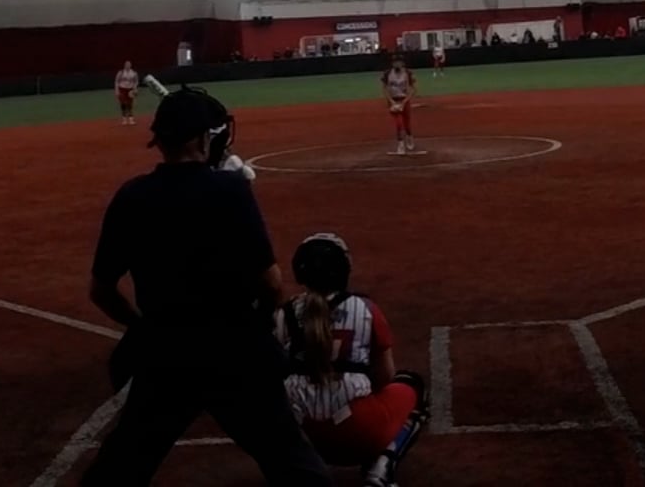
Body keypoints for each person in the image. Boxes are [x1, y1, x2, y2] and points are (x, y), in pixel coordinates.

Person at [82, 86, 331, 487]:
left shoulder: (132, 196)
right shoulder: (230, 190)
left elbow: (101, 290)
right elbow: (271, 283)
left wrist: (142, 326)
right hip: (234, 350)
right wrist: (260, 321)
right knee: (293, 465)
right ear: (202, 140)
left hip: (166, 352)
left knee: (121, 467)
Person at [275, 233, 428, 487]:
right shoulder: (365, 308)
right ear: (343, 270)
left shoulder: (283, 314)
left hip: (302, 441)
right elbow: (385, 378)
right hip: (358, 431)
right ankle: (380, 469)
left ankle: (296, 475)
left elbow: (271, 375)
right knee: (413, 384)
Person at [380, 57, 421, 156]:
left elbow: (414, 89)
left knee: (407, 124)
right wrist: (392, 102)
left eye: (398, 62)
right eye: (395, 62)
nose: (397, 64)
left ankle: (409, 136)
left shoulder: (407, 73)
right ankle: (400, 144)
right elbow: (384, 89)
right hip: (393, 100)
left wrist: (404, 102)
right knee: (398, 123)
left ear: (402, 63)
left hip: (404, 100)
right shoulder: (387, 73)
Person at [115, 61, 141, 126]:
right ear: (124, 65)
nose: (127, 66)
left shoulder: (134, 73)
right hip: (122, 89)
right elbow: (117, 81)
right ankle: (124, 119)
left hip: (130, 90)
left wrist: (135, 88)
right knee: (123, 104)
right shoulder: (121, 72)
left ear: (130, 65)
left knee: (130, 104)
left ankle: (131, 119)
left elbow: (136, 81)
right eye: (126, 65)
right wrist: (117, 90)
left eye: (129, 65)